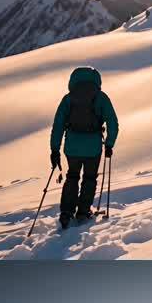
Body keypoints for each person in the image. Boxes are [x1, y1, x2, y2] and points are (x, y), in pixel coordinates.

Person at [50, 67, 120, 230]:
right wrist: (109, 144)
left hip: (72, 147)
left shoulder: (68, 99)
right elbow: (113, 123)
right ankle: (83, 211)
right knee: (89, 178)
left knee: (72, 176)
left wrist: (55, 149)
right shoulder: (101, 98)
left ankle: (66, 212)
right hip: (93, 147)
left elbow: (58, 126)